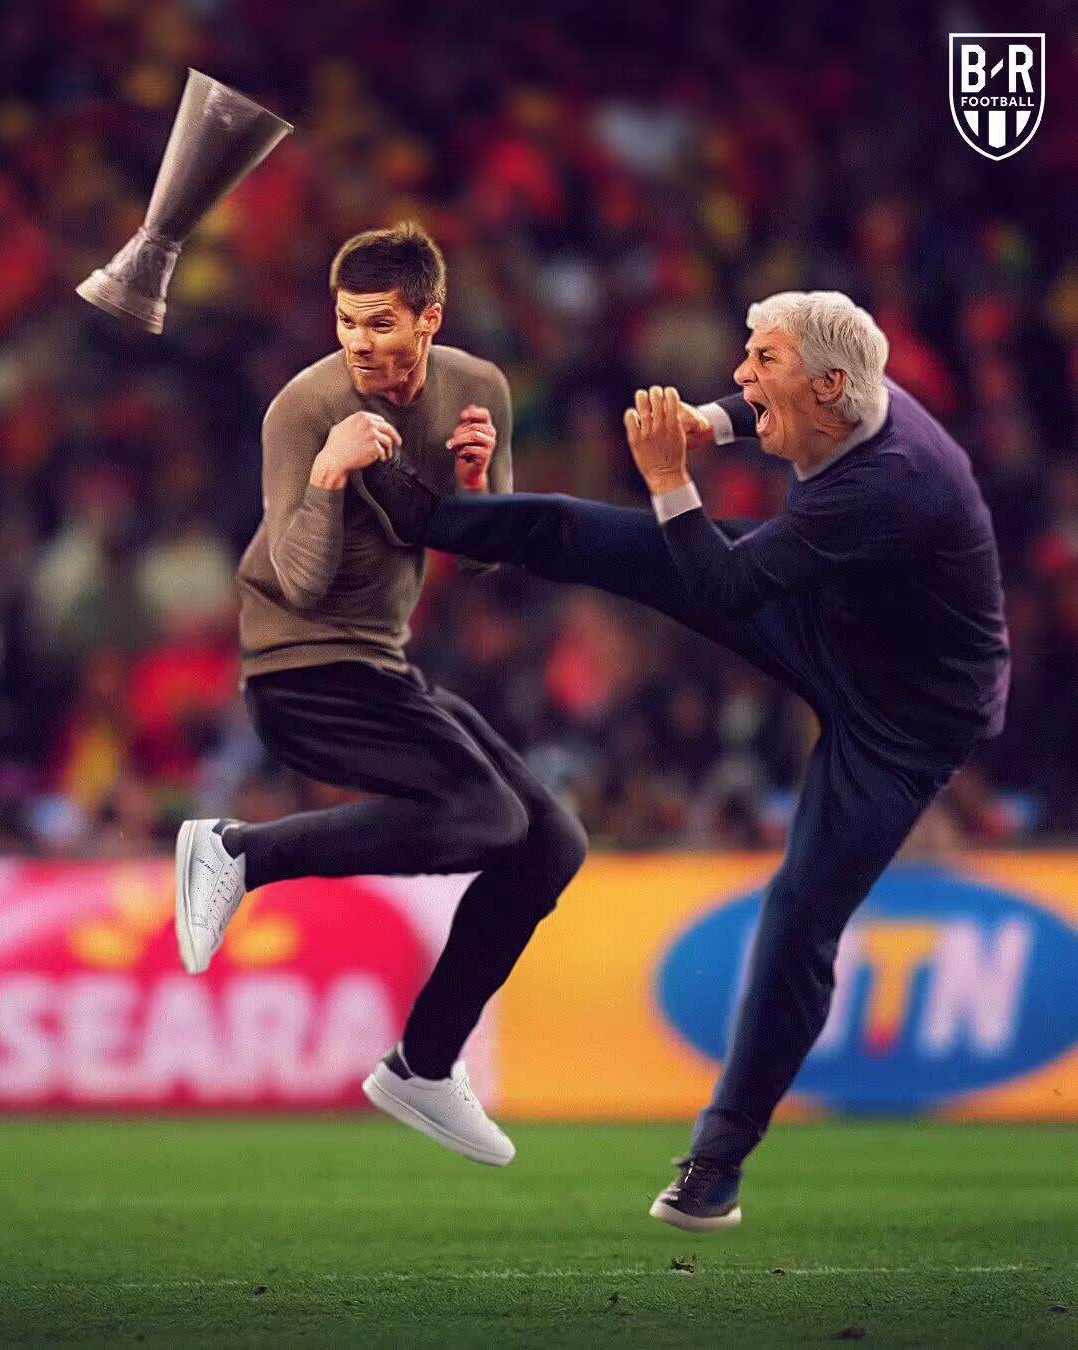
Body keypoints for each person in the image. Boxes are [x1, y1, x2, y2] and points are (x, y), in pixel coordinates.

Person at [356, 290, 1010, 1231]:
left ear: (830, 387)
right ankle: (420, 516)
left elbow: (725, 588)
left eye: (763, 361)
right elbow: (762, 437)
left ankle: (718, 1164)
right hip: (833, 618)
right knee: (582, 530)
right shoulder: (857, 399)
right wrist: (712, 420)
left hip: (905, 721)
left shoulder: (888, 483)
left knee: (799, 920)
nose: (742, 374)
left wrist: (670, 474)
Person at [173, 221, 588, 1167]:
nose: (358, 342)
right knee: (487, 816)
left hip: (380, 667)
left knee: (551, 843)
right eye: (346, 322)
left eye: (380, 323)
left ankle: (424, 1065)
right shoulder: (304, 407)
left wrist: (475, 482)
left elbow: (482, 556)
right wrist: (329, 475)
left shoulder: (476, 387)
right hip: (297, 670)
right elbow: (300, 582)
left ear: (429, 319)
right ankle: (237, 852)